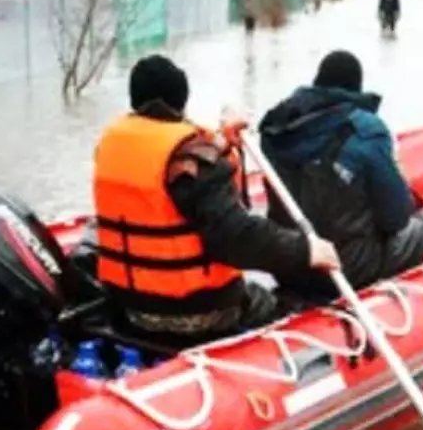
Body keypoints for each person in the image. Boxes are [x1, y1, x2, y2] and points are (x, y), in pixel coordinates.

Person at [91, 54, 341, 340]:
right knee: (279, 302)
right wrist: (305, 250)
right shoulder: (190, 157)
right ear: (182, 101)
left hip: (131, 308)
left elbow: (179, 173)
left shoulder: (111, 145)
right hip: (196, 311)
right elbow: (237, 237)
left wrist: (222, 143)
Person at [257, 50, 423, 295]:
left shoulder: (274, 131)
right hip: (347, 268)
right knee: (421, 228)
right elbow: (396, 217)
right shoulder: (367, 130)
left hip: (290, 264)